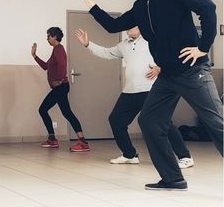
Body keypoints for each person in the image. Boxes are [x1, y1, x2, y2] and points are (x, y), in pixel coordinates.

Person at [82, 0, 223, 191]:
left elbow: (207, 7)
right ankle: (173, 178)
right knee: (150, 120)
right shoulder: (140, 6)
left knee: (216, 123)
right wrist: (92, 5)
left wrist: (203, 46)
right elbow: (113, 25)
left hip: (192, 71)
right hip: (167, 75)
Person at [75, 26, 194, 168]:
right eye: (125, 27)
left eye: (130, 26)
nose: (127, 29)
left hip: (151, 90)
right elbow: (107, 53)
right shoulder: (123, 45)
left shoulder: (153, 40)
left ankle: (185, 157)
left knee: (163, 123)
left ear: (140, 26)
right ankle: (129, 155)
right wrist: (88, 44)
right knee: (116, 120)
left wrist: (160, 67)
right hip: (130, 91)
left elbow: (171, 55)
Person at [32, 27, 90, 152]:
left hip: (61, 87)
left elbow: (63, 65)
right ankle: (77, 140)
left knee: (44, 110)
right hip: (60, 87)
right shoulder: (56, 50)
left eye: (48, 36)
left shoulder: (59, 49)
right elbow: (46, 67)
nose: (47, 39)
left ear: (54, 37)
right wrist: (34, 56)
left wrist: (59, 80)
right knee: (65, 112)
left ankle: (79, 142)